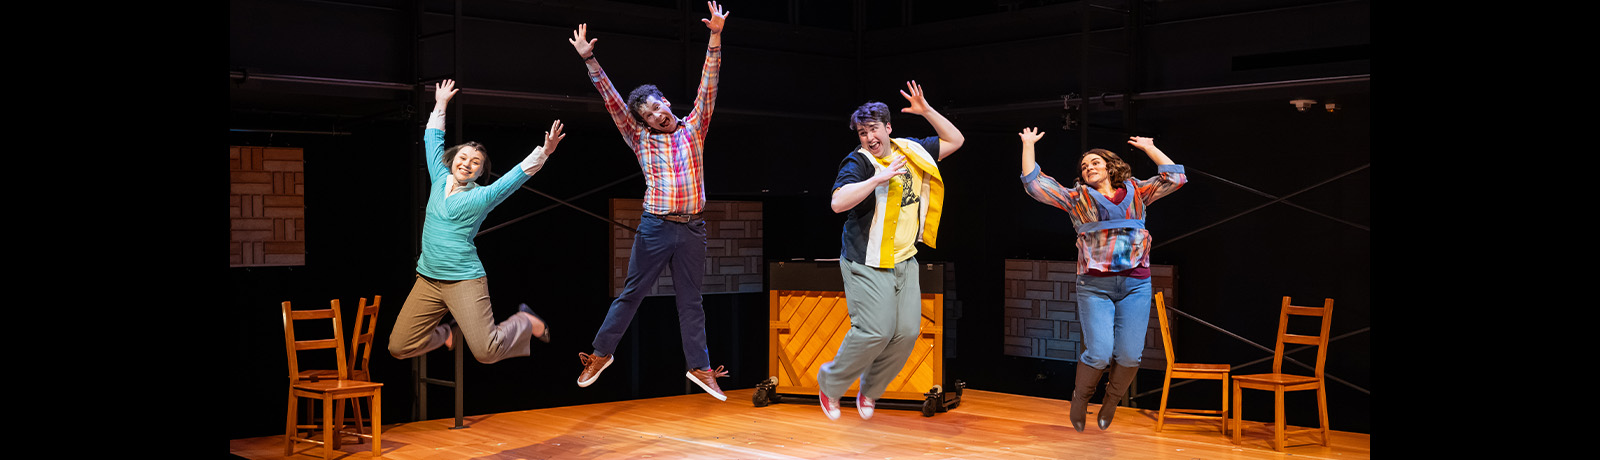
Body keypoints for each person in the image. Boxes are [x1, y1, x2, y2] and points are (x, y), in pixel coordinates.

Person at [567, 1, 732, 401]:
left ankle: (700, 367)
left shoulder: (694, 127)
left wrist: (715, 37)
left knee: (692, 302)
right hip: (656, 226)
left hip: (693, 228)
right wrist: (590, 60)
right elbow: (612, 103)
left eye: (656, 107)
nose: (655, 115)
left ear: (665, 103)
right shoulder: (638, 137)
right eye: (646, 114)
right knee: (633, 293)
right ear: (641, 121)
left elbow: (708, 85)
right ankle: (601, 354)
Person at [1016, 127, 1187, 431]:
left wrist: (1149, 147)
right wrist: (1028, 145)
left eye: (1095, 162)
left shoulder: (1136, 190)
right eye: (1084, 166)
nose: (1089, 167)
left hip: (1136, 284)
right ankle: (1081, 398)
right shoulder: (1076, 198)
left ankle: (1110, 403)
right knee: (1098, 352)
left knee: (1130, 355)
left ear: (1109, 166)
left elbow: (1175, 178)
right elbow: (1035, 185)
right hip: (1095, 286)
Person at [817, 81, 965, 420]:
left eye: (873, 129)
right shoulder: (860, 162)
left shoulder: (910, 149)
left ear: (888, 128)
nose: (869, 137)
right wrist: (875, 180)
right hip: (866, 261)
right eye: (862, 132)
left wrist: (926, 110)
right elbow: (838, 203)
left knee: (907, 333)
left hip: (904, 259)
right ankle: (831, 382)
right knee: (875, 331)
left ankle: (868, 391)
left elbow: (955, 140)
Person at [388, 79, 561, 365]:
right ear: (452, 160)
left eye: (475, 162)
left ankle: (525, 321)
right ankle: (445, 334)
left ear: (480, 172)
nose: (467, 163)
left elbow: (514, 178)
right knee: (399, 346)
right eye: (463, 157)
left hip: (464, 280)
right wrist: (441, 103)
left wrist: (544, 152)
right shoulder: (439, 178)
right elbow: (432, 139)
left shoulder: (483, 196)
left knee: (486, 352)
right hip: (428, 279)